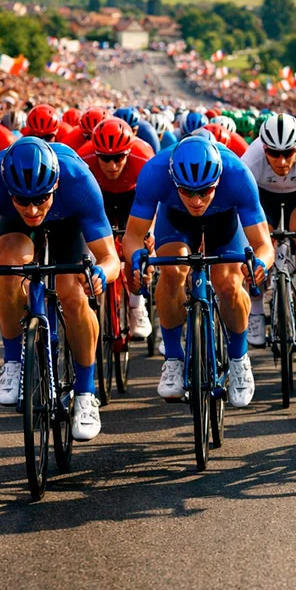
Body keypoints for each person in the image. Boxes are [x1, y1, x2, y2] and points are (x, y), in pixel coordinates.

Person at [0, 137, 121, 442]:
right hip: (14, 228)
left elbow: (110, 258)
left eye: (41, 199)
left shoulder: (78, 180)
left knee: (73, 294)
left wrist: (100, 275)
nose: (33, 209)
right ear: (9, 190)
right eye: (23, 200)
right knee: (7, 264)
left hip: (69, 223)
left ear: (55, 185)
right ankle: (12, 361)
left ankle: (86, 393)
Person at [122, 135, 273, 408]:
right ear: (173, 181)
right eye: (187, 191)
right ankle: (173, 359)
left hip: (224, 220)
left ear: (217, 181)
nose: (196, 200)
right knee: (172, 271)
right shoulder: (155, 172)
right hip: (175, 220)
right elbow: (132, 237)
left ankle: (239, 359)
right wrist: (138, 259)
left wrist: (259, 264)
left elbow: (264, 245)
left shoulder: (238, 174)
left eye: (205, 191)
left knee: (227, 283)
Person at [240, 114, 296, 350]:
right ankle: (256, 311)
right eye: (274, 154)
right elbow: (242, 205)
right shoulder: (251, 160)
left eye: (288, 153)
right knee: (257, 242)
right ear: (264, 148)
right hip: (262, 194)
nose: (281, 161)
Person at [78, 116, 155, 338]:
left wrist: (148, 234)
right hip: (98, 198)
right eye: (105, 158)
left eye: (119, 158)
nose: (112, 165)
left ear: (129, 153)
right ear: (96, 153)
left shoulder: (143, 157)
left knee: (138, 247)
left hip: (132, 198)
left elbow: (152, 203)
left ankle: (137, 304)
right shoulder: (84, 157)